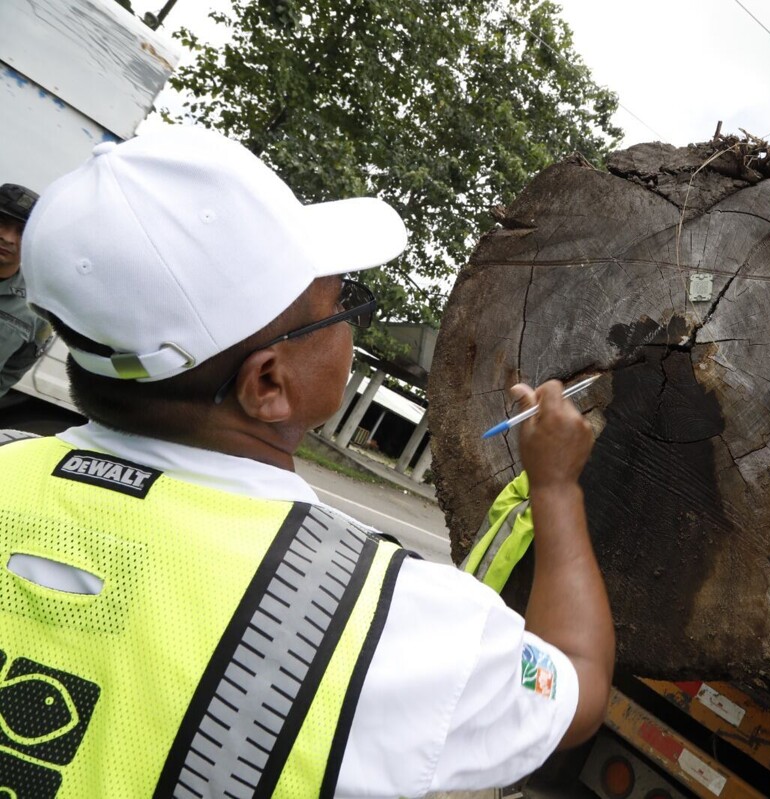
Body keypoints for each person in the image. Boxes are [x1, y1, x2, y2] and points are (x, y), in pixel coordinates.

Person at [0, 127, 614, 797]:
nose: (350, 322)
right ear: (268, 383)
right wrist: (554, 488)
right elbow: (575, 686)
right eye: (342, 301)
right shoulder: (381, 620)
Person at [0, 182, 50, 397]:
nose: (8, 238)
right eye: (1, 223)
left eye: (22, 231)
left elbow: (11, 372)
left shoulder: (35, 311)